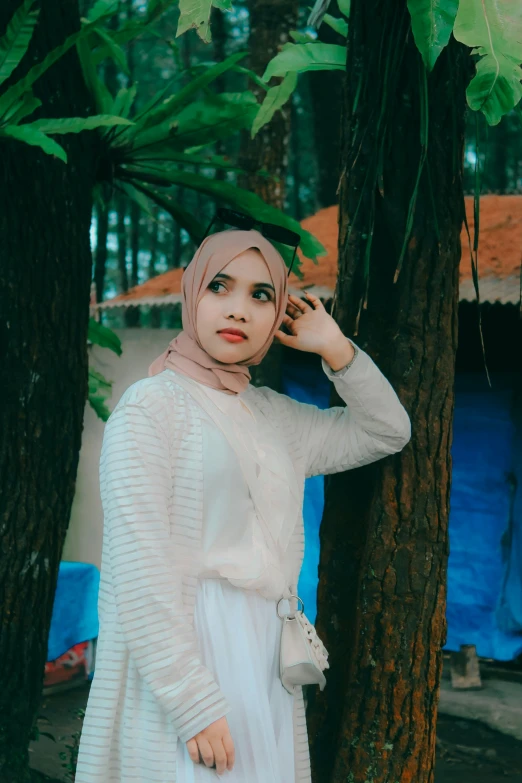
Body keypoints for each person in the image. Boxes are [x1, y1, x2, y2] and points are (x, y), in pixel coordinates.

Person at [75, 224, 411, 783]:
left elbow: (386, 431)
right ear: (193, 294)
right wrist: (193, 703)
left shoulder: (275, 416)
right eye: (220, 287)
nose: (238, 311)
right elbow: (139, 569)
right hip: (186, 652)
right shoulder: (150, 408)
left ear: (279, 313)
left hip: (263, 656)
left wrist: (335, 347)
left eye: (261, 295)